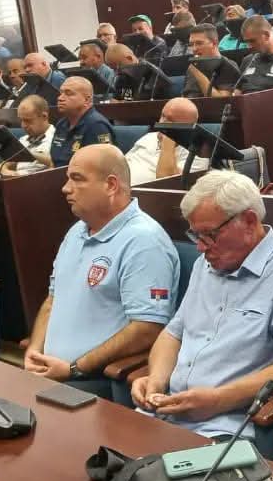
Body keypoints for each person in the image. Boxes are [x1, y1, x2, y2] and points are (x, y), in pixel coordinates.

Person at [132, 171, 273, 437]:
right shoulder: (205, 264)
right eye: (196, 235)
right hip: (166, 411)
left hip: (223, 425)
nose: (201, 247)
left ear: (249, 221)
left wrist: (218, 400)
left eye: (209, 234)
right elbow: (173, 334)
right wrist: (155, 381)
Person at [25, 145, 179, 391]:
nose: (65, 188)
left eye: (77, 179)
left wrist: (74, 368)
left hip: (94, 380)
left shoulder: (144, 241)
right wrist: (34, 351)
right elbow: (53, 300)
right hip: (52, 372)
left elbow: (147, 328)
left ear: (111, 185)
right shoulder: (77, 231)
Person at [123, 97, 203, 184]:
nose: (162, 122)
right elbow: (122, 164)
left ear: (189, 128)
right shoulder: (149, 137)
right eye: (163, 116)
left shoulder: (197, 154)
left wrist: (168, 141)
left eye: (171, 121)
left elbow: (168, 183)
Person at [50, 76, 114, 167]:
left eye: (68, 93)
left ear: (86, 100)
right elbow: (53, 161)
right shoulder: (62, 123)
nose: (60, 98)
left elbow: (102, 166)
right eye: (61, 93)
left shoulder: (96, 126)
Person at [0, 95, 55, 177]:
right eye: (21, 120)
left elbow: (56, 165)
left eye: (28, 120)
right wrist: (5, 171)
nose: (23, 125)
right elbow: (3, 165)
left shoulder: (57, 139)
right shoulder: (23, 139)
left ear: (44, 116)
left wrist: (28, 154)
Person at [182, 24, 240, 99]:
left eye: (199, 43)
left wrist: (197, 73)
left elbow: (222, 100)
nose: (194, 49)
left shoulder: (228, 65)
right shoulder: (192, 67)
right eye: (191, 44)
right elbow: (186, 95)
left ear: (214, 43)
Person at [106, 44, 171, 101]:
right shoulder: (122, 77)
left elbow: (155, 96)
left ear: (130, 58)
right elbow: (124, 98)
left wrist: (125, 101)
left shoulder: (151, 72)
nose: (116, 72)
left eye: (118, 68)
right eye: (114, 69)